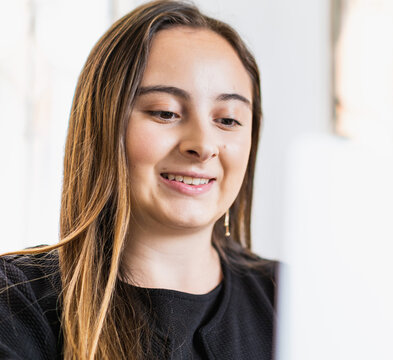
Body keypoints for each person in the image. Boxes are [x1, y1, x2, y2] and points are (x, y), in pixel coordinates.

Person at [0, 1, 277, 359]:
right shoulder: (16, 304)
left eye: (227, 120)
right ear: (103, 124)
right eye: (166, 113)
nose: (204, 146)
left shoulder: (297, 301)